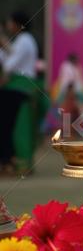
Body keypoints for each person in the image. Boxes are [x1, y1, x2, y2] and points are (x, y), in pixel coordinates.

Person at [0, 11, 38, 174]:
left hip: (19, 87)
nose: (9, 25)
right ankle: (8, 159)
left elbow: (9, 65)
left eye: (10, 22)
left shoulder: (24, 40)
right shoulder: (21, 41)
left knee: (6, 125)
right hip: (16, 87)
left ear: (17, 24)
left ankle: (9, 160)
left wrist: (3, 42)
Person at [49, 52, 83, 134]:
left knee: (82, 109)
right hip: (66, 93)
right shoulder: (66, 66)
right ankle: (62, 131)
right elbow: (68, 81)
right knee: (62, 111)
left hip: (77, 93)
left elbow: (79, 82)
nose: (78, 60)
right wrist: (70, 91)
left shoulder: (78, 67)